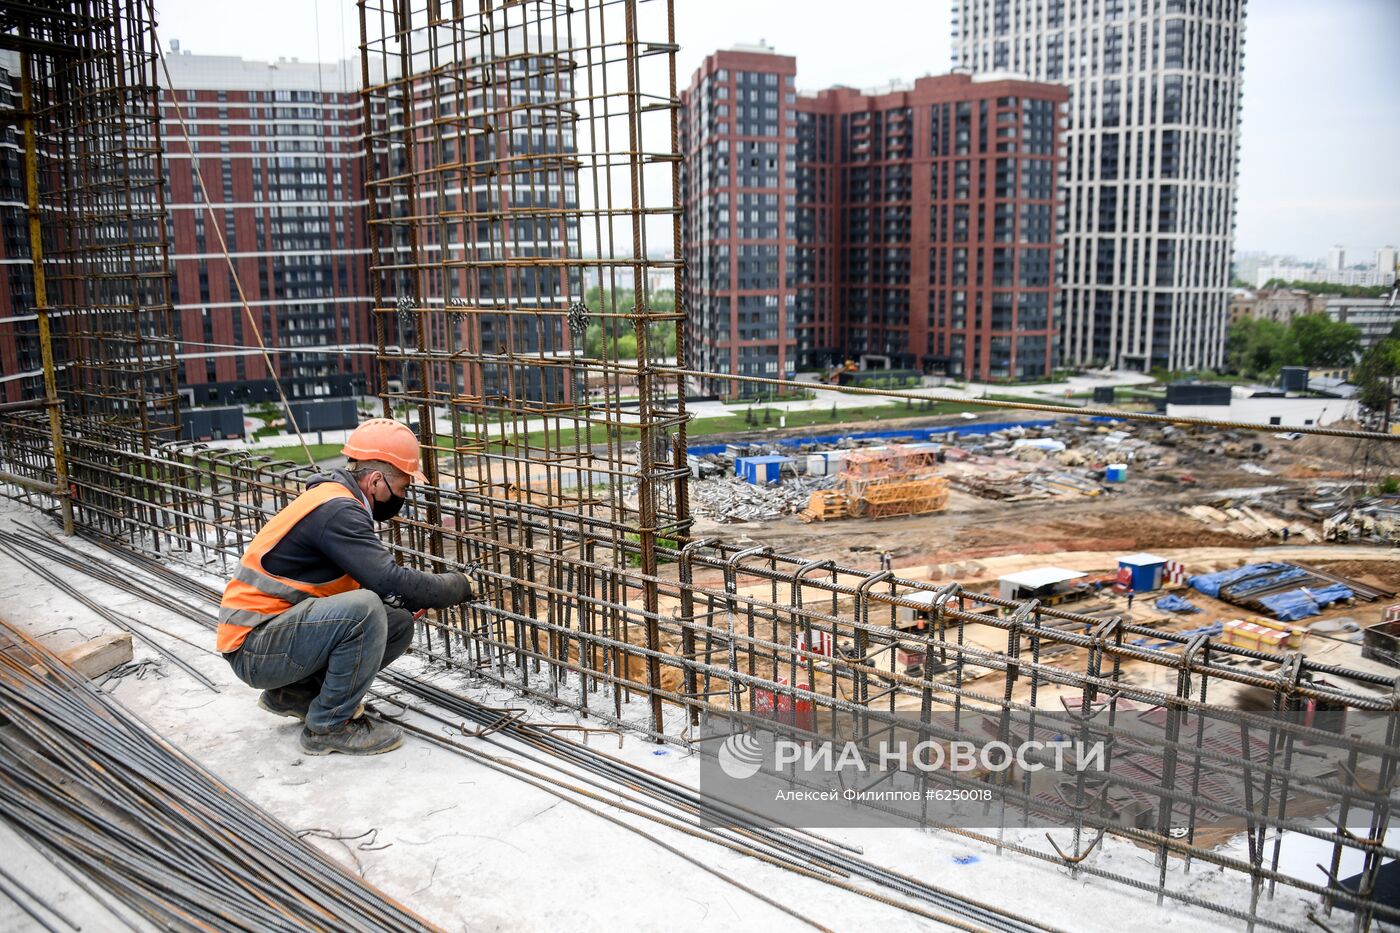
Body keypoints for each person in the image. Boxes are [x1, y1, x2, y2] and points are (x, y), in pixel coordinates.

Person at [218, 418, 475, 756]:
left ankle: (295, 694)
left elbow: (368, 586)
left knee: (394, 621)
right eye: (402, 488)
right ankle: (329, 725)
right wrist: (458, 586)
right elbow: (388, 580)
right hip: (254, 648)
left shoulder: (335, 500)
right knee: (366, 609)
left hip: (270, 637)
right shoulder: (338, 511)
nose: (403, 497)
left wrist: (401, 599)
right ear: (377, 480)